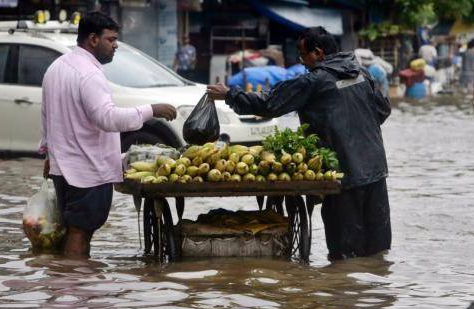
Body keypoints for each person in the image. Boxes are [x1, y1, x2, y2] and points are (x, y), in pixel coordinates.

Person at [207, 26, 392, 261]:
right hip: (376, 170)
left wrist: (230, 95)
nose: (302, 62)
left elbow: (271, 103)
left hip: (343, 175)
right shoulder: (362, 73)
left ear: (317, 53)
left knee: (345, 254)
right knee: (378, 249)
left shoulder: (316, 81)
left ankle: (346, 294)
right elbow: (383, 110)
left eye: (303, 55)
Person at [39, 11, 177, 258]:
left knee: (74, 230)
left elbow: (46, 118)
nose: (115, 46)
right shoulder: (89, 74)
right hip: (87, 170)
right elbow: (107, 118)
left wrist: (49, 154)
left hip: (64, 168)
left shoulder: (56, 67)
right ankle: (75, 285)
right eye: (111, 40)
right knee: (80, 232)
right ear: (93, 39)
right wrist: (151, 110)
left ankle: (69, 287)